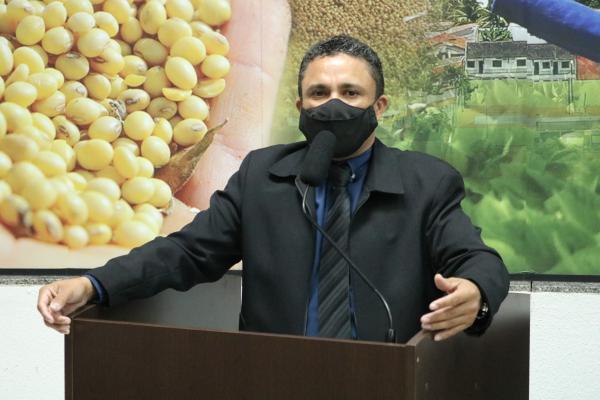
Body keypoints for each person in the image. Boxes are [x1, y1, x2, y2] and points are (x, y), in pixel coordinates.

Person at [37, 35, 510, 343]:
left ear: (379, 106)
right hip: (273, 377)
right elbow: (187, 252)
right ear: (300, 105)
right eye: (319, 93)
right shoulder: (263, 174)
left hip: (385, 379)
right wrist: (94, 283)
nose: (333, 105)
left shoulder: (426, 181)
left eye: (351, 93)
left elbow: (477, 258)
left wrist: (475, 291)